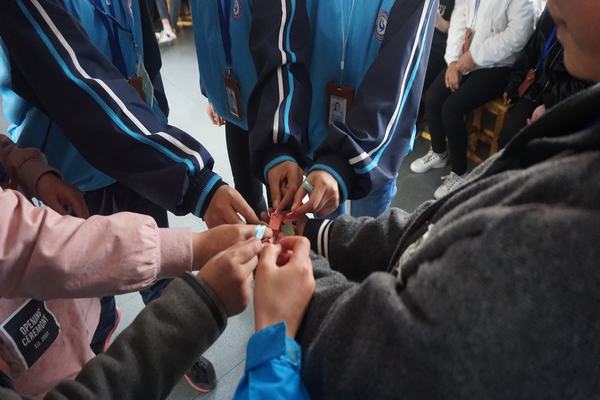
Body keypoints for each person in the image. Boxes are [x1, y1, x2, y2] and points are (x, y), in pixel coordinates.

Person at [0, 0, 259, 393]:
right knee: (91, 277)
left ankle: (176, 338)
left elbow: (144, 54)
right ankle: (98, 344)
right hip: (75, 171)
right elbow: (77, 82)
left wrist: (158, 128)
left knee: (157, 263)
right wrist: (196, 188)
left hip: (145, 155)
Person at [0, 135, 270, 398]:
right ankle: (106, 334)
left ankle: (100, 332)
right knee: (99, 294)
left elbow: (35, 241)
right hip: (45, 360)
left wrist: (29, 170)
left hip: (67, 316)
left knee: (111, 294)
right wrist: (201, 307)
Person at [253, 0, 437, 218]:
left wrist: (343, 164)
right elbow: (280, 40)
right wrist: (279, 141)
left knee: (366, 227)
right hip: (313, 131)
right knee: (324, 215)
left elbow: (401, 69)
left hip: (375, 148)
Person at [410, 0, 535, 199]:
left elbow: (518, 35)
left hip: (498, 65)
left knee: (452, 108)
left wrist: (475, 56)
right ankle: (439, 153)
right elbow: (459, 20)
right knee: (433, 98)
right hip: (465, 57)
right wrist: (453, 61)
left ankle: (460, 172)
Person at [499, 7, 590, 146]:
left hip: (564, 99)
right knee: (509, 137)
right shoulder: (552, 9)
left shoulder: (590, 24)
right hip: (536, 89)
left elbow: (586, 83)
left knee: (534, 146)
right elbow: (531, 50)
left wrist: (549, 105)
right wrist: (515, 82)